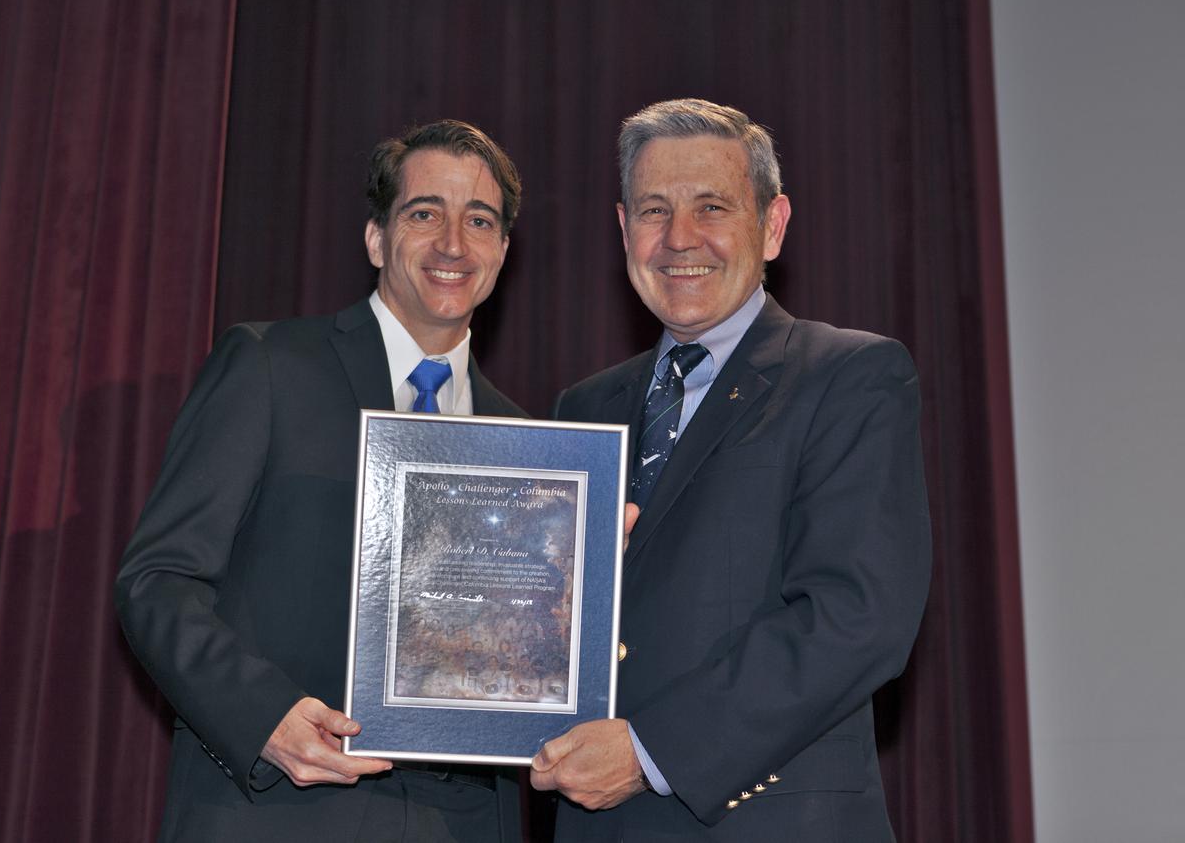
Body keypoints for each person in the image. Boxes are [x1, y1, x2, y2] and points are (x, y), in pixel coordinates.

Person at [530, 99, 932, 841]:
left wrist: (652, 752)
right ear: (623, 230)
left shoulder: (851, 377)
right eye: (654, 210)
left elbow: (857, 616)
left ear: (773, 225)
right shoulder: (583, 408)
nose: (680, 239)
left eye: (711, 206)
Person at [115, 120, 527, 842]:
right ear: (377, 238)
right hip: (277, 811)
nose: (454, 243)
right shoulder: (272, 366)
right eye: (424, 212)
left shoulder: (527, 441)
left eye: (480, 220)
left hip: (461, 821)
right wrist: (261, 715)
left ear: (501, 251)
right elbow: (157, 580)